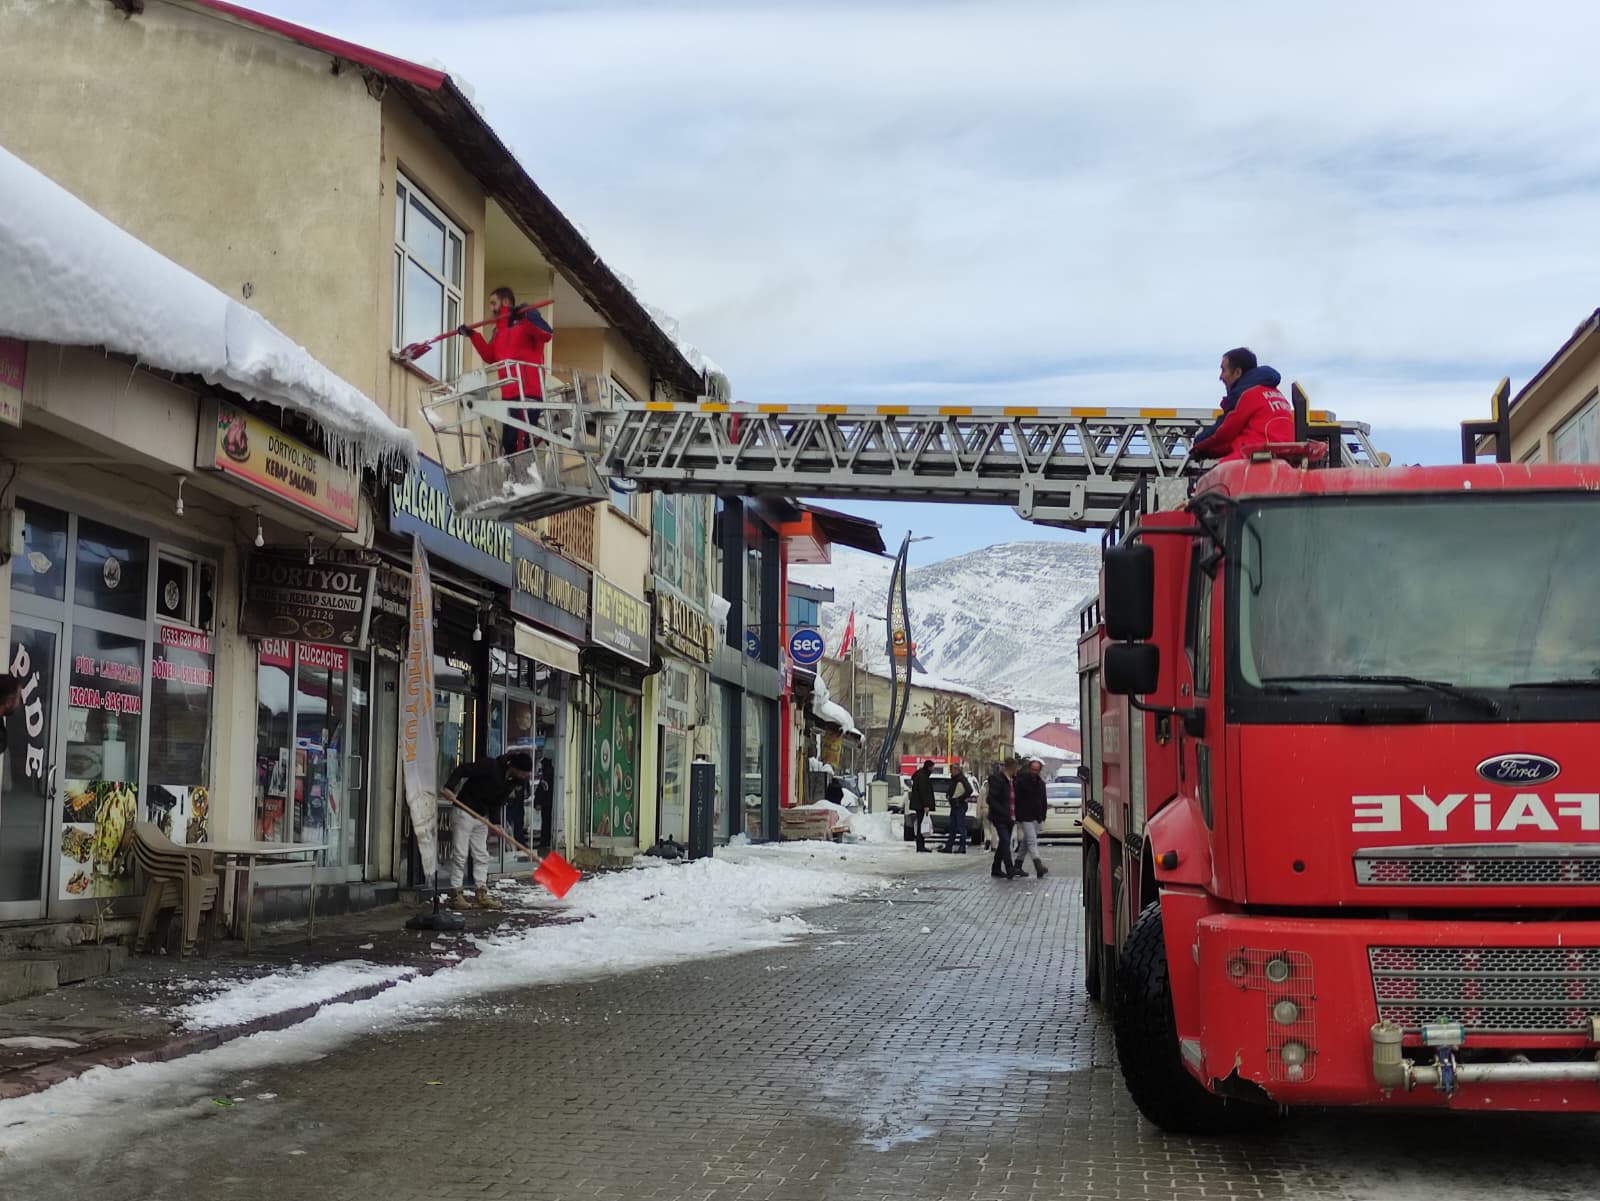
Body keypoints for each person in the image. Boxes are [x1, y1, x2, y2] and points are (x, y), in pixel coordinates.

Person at [459, 286, 554, 457]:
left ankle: (523, 476)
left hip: (528, 393)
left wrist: (529, 315)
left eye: (493, 303)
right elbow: (490, 355)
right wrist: (473, 335)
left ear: (506, 302)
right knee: (509, 444)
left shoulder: (526, 323)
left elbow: (546, 333)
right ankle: (518, 477)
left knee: (519, 445)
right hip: (509, 395)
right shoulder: (499, 332)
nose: (491, 309)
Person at [441, 751, 534, 911]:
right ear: (514, 767)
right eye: (524, 773)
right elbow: (463, 769)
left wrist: (496, 823)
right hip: (464, 812)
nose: (525, 776)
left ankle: (481, 892)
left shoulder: (512, 780)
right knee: (460, 853)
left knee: (481, 855)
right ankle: (455, 894)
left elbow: (497, 802)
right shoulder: (490, 766)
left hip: (481, 817)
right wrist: (450, 787)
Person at [1191, 347, 1294, 463]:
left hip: (1257, 455)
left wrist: (1197, 445)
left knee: (1213, 477)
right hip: (1282, 457)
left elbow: (1222, 432)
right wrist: (1210, 452)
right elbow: (1234, 440)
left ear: (1237, 373)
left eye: (1223, 370)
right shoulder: (1277, 394)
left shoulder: (1246, 395)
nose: (1221, 377)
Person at [1013, 757, 1049, 879]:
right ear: (1029, 768)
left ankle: (1017, 865)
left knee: (1026, 842)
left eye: (1036, 770)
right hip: (1025, 816)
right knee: (1032, 841)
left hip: (1036, 817)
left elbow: (1043, 800)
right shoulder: (1021, 781)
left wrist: (1042, 815)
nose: (1034, 772)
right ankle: (1039, 867)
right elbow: (1017, 799)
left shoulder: (1041, 783)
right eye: (1032, 769)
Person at [986, 757, 1020, 879]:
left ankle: (996, 868)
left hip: (1011, 817)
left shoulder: (1013, 780)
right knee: (1005, 841)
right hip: (1000, 817)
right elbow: (990, 799)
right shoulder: (998, 780)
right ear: (1011, 768)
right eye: (1015, 768)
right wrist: (1002, 811)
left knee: (1003, 843)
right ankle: (1009, 869)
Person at [939, 759, 975, 854]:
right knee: (953, 827)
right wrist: (949, 795)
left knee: (960, 826)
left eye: (952, 769)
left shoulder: (961, 779)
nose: (951, 771)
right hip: (955, 805)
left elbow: (969, 790)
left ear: (957, 770)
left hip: (960, 806)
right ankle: (949, 847)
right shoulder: (955, 779)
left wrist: (960, 799)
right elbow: (952, 789)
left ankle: (962, 847)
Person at [908, 759, 937, 853]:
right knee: (922, 825)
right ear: (929, 767)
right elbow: (924, 792)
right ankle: (920, 846)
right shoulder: (923, 777)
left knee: (921, 824)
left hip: (918, 804)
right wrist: (926, 805)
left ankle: (920, 845)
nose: (933, 769)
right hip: (921, 805)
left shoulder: (921, 775)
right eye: (932, 767)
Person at [534, 758, 556, 852]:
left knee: (546, 823)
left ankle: (545, 841)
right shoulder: (553, 774)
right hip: (551, 802)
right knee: (549, 823)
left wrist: (538, 802)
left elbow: (542, 790)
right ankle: (547, 841)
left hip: (546, 804)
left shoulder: (546, 776)